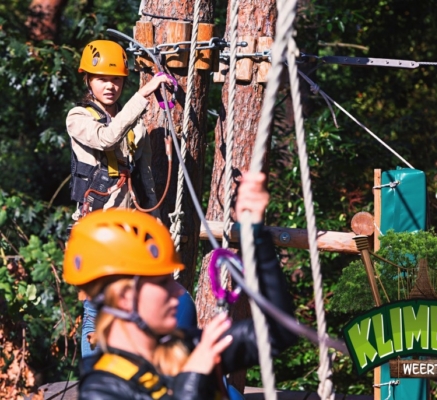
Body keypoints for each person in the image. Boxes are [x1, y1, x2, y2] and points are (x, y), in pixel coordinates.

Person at [63, 172, 297, 399]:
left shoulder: (186, 348)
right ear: (125, 297)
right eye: (163, 283)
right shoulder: (102, 390)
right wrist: (193, 378)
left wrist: (255, 236)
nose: (178, 291)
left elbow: (278, 331)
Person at [67, 39, 174, 358]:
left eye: (115, 79)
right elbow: (106, 138)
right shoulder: (78, 117)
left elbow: (146, 183)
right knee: (95, 313)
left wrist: (156, 226)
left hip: (130, 232)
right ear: (88, 80)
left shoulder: (136, 128)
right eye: (102, 79)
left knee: (136, 308)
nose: (110, 86)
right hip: (96, 230)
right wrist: (143, 95)